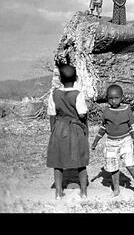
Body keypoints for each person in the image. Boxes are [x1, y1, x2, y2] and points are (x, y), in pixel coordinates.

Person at [47, 64, 89, 200]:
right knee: (80, 160)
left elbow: (52, 115)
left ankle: (58, 192)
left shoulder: (54, 94)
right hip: (75, 129)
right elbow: (82, 114)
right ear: (76, 77)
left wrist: (53, 130)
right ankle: (83, 191)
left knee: (58, 161)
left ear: (60, 79)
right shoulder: (78, 94)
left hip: (59, 128)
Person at [91, 84, 134, 197]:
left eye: (116, 98)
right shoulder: (106, 111)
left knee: (129, 164)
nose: (113, 101)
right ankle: (116, 188)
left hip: (126, 140)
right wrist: (96, 141)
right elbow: (103, 127)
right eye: (110, 98)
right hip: (111, 142)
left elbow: (132, 127)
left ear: (121, 97)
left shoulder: (126, 110)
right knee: (113, 167)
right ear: (107, 99)